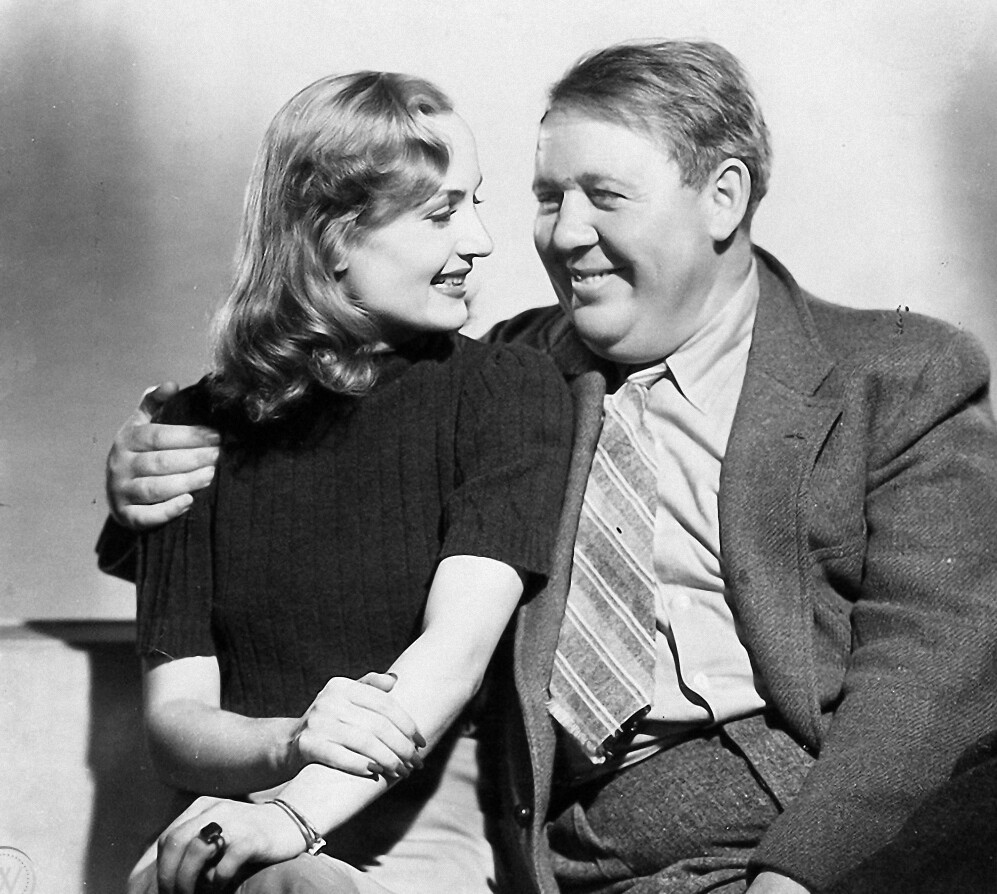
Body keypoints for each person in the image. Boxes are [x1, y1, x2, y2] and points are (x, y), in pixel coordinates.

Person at [100, 41, 997, 894]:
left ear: (722, 198)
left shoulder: (896, 376)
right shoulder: (507, 372)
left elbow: (929, 676)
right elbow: (335, 449)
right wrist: (143, 476)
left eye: (604, 196)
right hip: (571, 845)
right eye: (546, 197)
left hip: (808, 823)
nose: (563, 235)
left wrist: (795, 877)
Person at [102, 70, 573, 894]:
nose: (480, 241)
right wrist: (290, 746)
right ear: (331, 240)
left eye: (475, 203)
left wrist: (294, 817)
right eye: (440, 214)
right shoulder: (188, 428)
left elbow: (454, 653)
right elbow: (175, 724)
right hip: (228, 809)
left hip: (419, 829)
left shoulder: (505, 390)